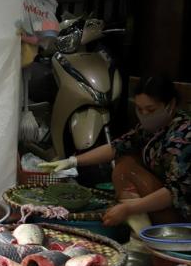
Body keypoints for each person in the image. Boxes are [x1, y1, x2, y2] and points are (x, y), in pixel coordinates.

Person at [41, 76, 190, 226]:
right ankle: (140, 226)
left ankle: (151, 226)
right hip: (159, 201)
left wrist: (129, 208)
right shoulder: (150, 129)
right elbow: (117, 146)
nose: (144, 115)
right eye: (139, 109)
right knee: (125, 161)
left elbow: (175, 192)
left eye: (151, 109)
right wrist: (72, 161)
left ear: (170, 105)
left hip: (181, 213)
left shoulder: (183, 136)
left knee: (127, 168)